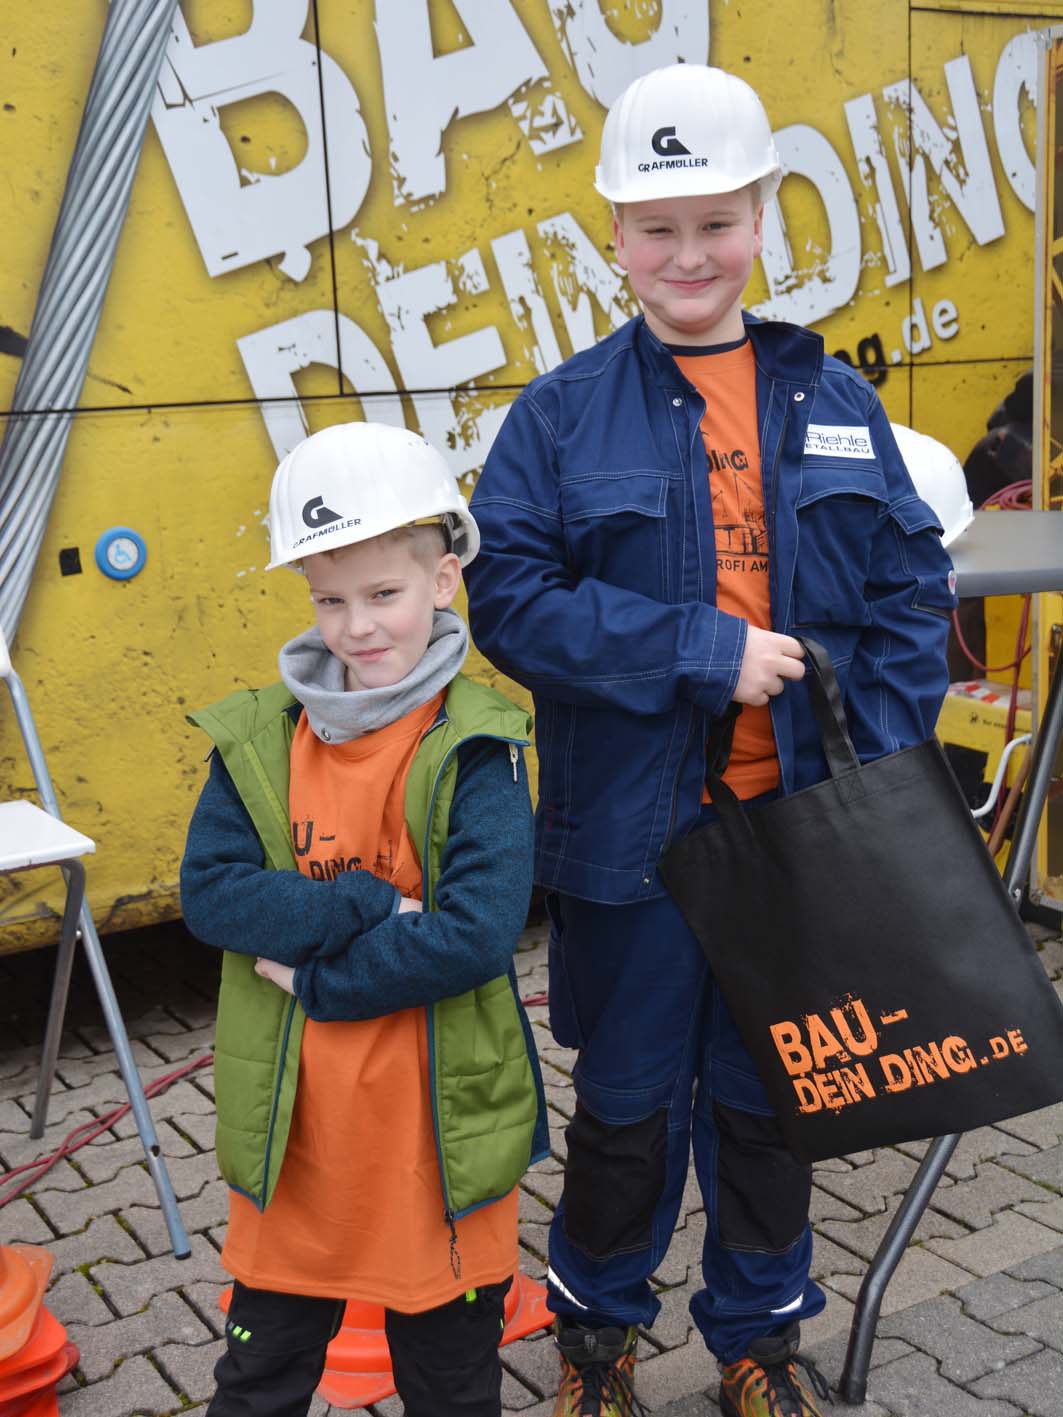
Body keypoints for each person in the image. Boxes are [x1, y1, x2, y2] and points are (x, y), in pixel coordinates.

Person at [465, 63, 955, 1417]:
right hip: (634, 844)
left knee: (769, 1102)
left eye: (714, 223)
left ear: (759, 216)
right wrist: (699, 650)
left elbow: (910, 588)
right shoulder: (559, 416)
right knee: (626, 1109)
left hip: (793, 838)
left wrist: (872, 773)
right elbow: (510, 602)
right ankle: (596, 1343)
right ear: (614, 234)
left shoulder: (833, 399)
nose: (687, 255)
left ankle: (756, 1338)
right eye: (656, 227)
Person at [180, 421, 548, 1417]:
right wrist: (372, 902)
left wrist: (317, 976)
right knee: (257, 1380)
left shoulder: (481, 744)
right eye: (329, 599)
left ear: (444, 580)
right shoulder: (258, 737)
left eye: (383, 594)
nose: (357, 627)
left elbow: (473, 933)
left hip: (436, 1147)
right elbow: (212, 894)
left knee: (450, 1387)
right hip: (296, 1144)